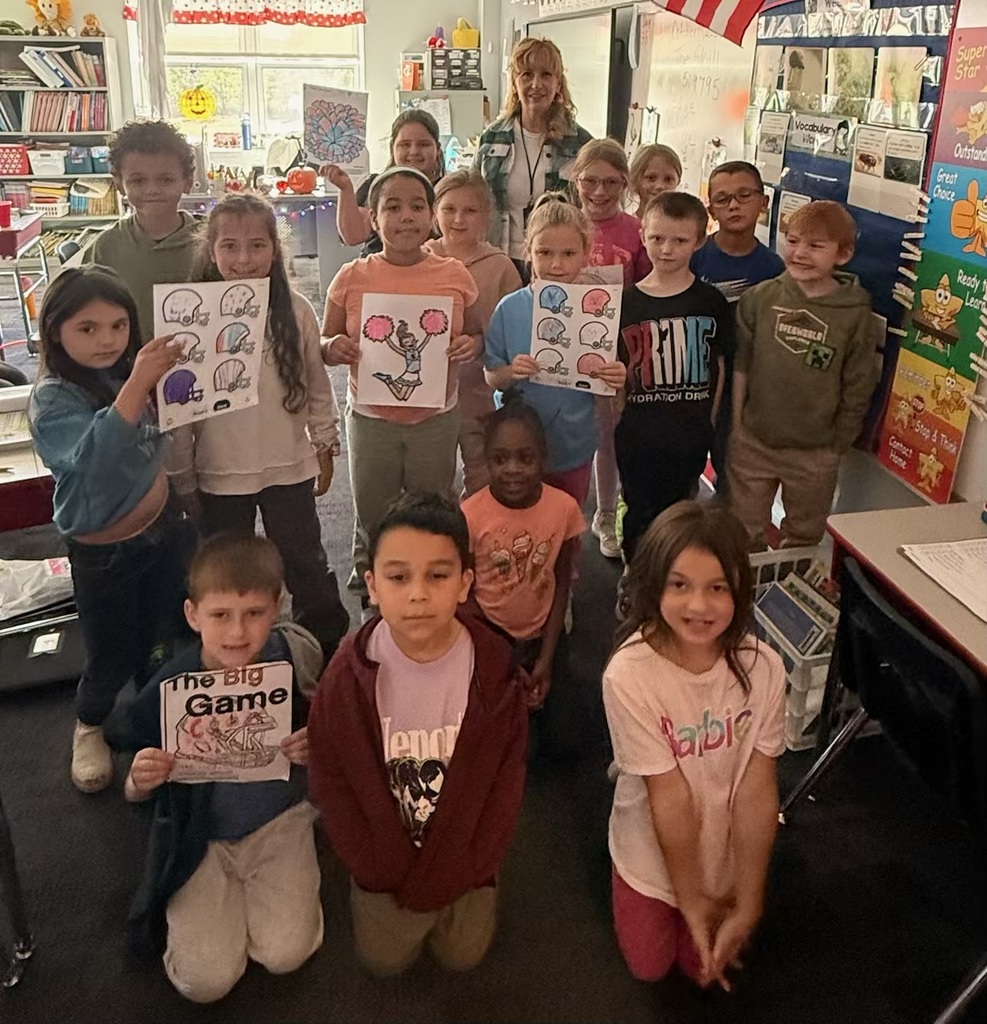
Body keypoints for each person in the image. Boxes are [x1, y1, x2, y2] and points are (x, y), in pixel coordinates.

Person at [307, 491, 529, 976]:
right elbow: (330, 775)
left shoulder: (494, 673)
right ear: (372, 584)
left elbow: (506, 785)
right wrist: (369, 862)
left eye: (438, 575)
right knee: (384, 961)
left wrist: (475, 861)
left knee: (463, 956)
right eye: (398, 576)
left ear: (465, 583)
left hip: (465, 856)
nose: (418, 594)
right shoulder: (347, 676)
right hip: (383, 860)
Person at [125, 534, 325, 1003]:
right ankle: (224, 907)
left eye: (254, 613)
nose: (237, 633)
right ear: (193, 615)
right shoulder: (169, 686)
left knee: (285, 953)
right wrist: (139, 778)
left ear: (277, 607)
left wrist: (315, 744)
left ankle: (258, 900)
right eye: (220, 616)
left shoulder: (296, 660)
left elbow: (330, 730)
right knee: (205, 982)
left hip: (279, 819)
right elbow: (132, 772)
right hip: (200, 834)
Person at [603, 500, 786, 989]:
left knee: (702, 969)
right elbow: (670, 799)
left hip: (723, 851)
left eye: (717, 588)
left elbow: (757, 789)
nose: (699, 606)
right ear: (654, 585)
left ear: (740, 592)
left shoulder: (764, 668)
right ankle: (639, 890)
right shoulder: (628, 675)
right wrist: (690, 902)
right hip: (652, 852)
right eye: (679, 585)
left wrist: (748, 900)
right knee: (649, 966)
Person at [27, 266, 189, 793]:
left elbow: (156, 432)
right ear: (55, 331)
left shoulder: (127, 371)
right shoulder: (53, 399)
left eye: (118, 326)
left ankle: (149, 727)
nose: (106, 340)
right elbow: (93, 459)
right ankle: (89, 723)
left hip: (163, 530)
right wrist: (140, 383)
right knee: (109, 652)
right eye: (88, 328)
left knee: (163, 637)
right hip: (103, 553)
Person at [169, 192, 349, 658]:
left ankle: (324, 651)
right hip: (219, 472)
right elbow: (181, 407)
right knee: (227, 570)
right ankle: (234, 656)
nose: (243, 259)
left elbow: (316, 384)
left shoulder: (297, 310)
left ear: (275, 249)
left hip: (288, 466)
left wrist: (325, 445)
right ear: (211, 251)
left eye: (257, 245)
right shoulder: (191, 317)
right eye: (229, 246)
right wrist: (184, 476)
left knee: (304, 561)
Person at [322, 166, 481, 593]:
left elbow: (477, 333)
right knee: (373, 503)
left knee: (432, 502)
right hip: (372, 415)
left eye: (416, 206)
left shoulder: (454, 275)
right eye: (392, 207)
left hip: (436, 416)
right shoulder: (352, 277)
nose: (405, 216)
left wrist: (471, 344)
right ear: (373, 218)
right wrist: (332, 347)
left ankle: (428, 574)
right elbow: (326, 337)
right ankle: (373, 575)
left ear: (432, 216)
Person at [729, 200, 880, 547]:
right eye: (793, 240)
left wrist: (837, 444)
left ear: (842, 254)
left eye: (815, 246)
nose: (799, 253)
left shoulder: (854, 313)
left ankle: (788, 595)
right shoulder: (761, 298)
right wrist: (737, 428)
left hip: (815, 452)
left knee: (804, 536)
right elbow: (743, 365)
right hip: (754, 441)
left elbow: (859, 383)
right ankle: (744, 595)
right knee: (742, 531)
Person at [485, 193, 626, 507]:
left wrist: (614, 376)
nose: (556, 264)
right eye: (544, 252)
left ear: (586, 254)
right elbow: (492, 375)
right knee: (518, 521)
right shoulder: (510, 309)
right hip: (517, 449)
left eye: (568, 253)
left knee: (567, 524)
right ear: (529, 252)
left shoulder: (596, 312)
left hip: (573, 444)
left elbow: (607, 392)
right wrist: (511, 372)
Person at [461, 398, 584, 753]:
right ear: (487, 460)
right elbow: (464, 596)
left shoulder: (563, 509)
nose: (513, 470)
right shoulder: (471, 515)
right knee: (500, 743)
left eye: (525, 458)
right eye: (501, 459)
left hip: (542, 637)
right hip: (490, 640)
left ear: (542, 458)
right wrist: (503, 660)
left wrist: (546, 659)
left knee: (569, 741)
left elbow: (562, 583)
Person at [617, 192, 730, 564]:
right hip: (638, 435)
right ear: (643, 236)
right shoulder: (626, 304)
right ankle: (635, 580)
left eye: (680, 240)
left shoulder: (711, 302)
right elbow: (616, 375)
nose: (666, 249)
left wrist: (709, 425)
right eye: (657, 238)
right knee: (639, 512)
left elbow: (721, 368)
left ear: (699, 240)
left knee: (681, 516)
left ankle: (669, 580)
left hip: (690, 436)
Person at [572, 137, 650, 560]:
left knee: (606, 433)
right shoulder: (565, 222)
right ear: (576, 180)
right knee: (563, 427)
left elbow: (647, 292)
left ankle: (604, 512)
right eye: (590, 181)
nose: (599, 192)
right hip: (563, 344)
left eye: (611, 183)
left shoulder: (637, 231)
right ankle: (562, 509)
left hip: (614, 348)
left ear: (625, 184)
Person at [691, 161, 784, 503]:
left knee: (732, 465)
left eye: (744, 195)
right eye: (723, 198)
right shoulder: (695, 257)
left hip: (744, 380)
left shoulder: (773, 268)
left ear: (763, 202)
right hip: (696, 374)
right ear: (711, 208)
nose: (734, 205)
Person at [425, 170, 522, 495]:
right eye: (449, 209)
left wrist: (480, 343)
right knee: (433, 475)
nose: (458, 219)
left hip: (479, 391)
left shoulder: (501, 267)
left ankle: (478, 535)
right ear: (435, 211)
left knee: (481, 471)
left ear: (486, 216)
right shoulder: (419, 259)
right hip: (424, 392)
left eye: (470, 211)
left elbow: (514, 330)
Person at [473, 37, 593, 276]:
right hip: (500, 260)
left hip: (557, 264)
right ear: (515, 83)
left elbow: (590, 209)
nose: (536, 84)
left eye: (546, 74)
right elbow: (476, 202)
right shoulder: (492, 139)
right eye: (527, 74)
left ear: (558, 83)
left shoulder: (581, 143)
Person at [88, 120, 199, 344]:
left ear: (187, 181)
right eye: (138, 180)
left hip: (202, 364)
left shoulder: (211, 240)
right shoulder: (106, 247)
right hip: (129, 369)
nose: (152, 190)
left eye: (166, 179)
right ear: (120, 184)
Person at [321, 109, 445, 258]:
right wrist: (345, 188)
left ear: (437, 148)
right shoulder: (376, 186)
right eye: (405, 144)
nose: (414, 151)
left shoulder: (449, 190)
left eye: (423, 144)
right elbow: (354, 236)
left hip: (431, 274)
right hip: (376, 274)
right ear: (393, 147)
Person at [628, 144, 682, 219]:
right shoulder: (625, 228)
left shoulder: (682, 228)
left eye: (668, 179)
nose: (660, 186)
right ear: (635, 180)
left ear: (678, 182)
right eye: (651, 178)